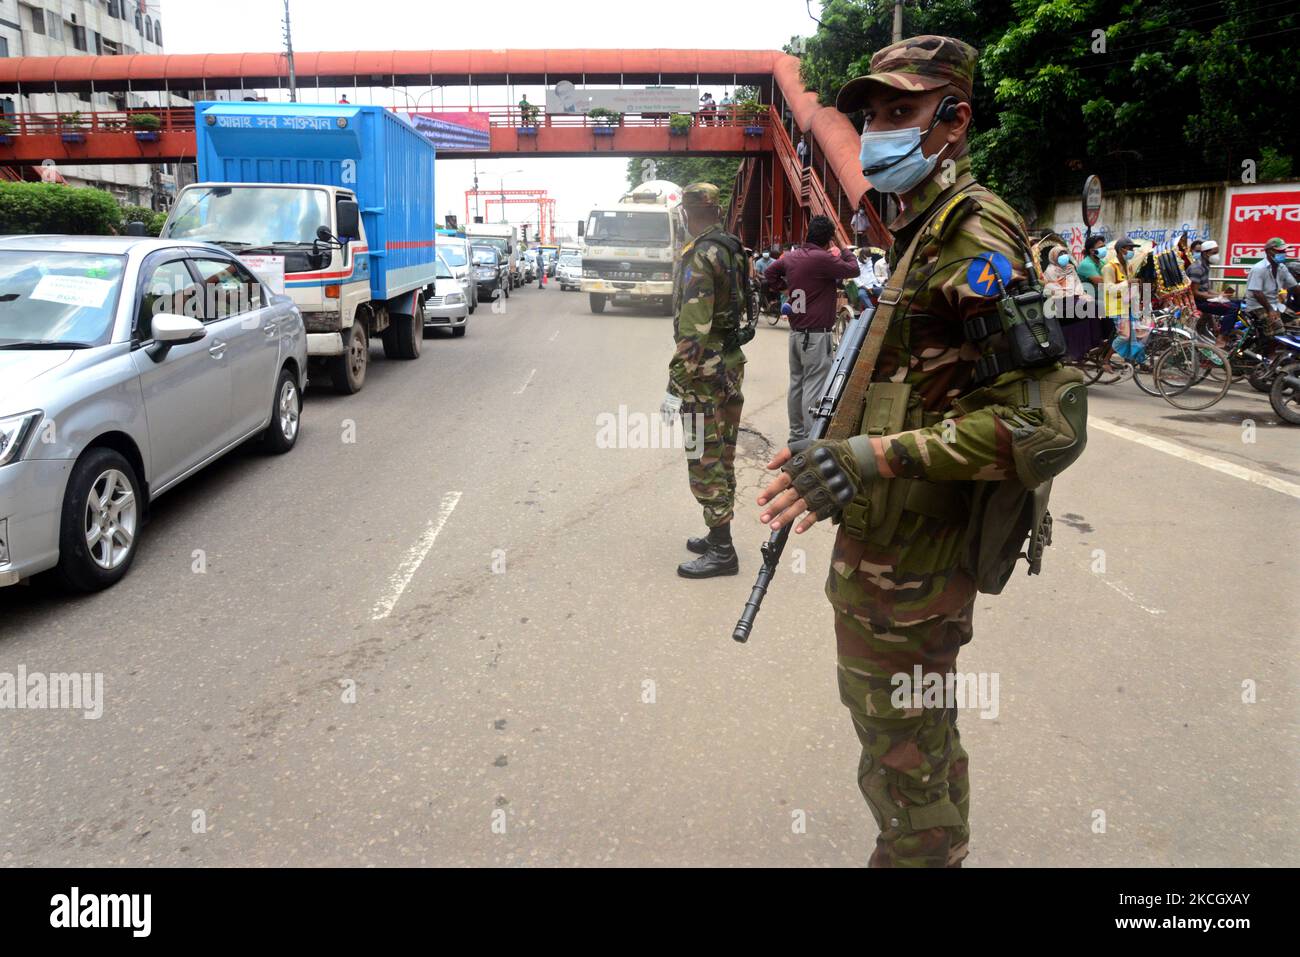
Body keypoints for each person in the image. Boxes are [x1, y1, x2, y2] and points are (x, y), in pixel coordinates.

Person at [756, 35, 1086, 868]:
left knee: (906, 744)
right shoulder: (923, 231)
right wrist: (836, 454)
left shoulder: (975, 238)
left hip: (920, 559)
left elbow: (1046, 424)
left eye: (900, 113)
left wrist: (870, 459)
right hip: (888, 550)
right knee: (901, 735)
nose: (874, 134)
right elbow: (915, 383)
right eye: (869, 116)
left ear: (955, 119)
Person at [662, 183, 747, 579]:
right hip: (729, 361)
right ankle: (717, 535)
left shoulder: (701, 254)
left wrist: (674, 383)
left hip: (703, 370)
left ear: (686, 212)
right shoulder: (732, 248)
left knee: (704, 454)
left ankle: (723, 551)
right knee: (724, 449)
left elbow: (694, 329)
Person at [762, 215, 861, 444]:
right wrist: (842, 246)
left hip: (796, 334)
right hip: (816, 335)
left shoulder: (791, 257)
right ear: (828, 239)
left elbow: (769, 275)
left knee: (796, 383)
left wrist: (786, 287)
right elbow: (854, 269)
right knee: (814, 386)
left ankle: (796, 436)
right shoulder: (822, 259)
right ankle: (809, 439)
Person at [1186, 239, 1238, 347]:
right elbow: (1194, 293)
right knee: (1232, 309)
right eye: (1214, 253)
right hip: (1198, 302)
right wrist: (1217, 296)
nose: (1216, 255)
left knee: (1237, 302)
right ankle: (1221, 338)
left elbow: (1206, 289)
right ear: (1205, 253)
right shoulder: (1197, 268)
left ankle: (1226, 332)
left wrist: (1220, 294)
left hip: (1203, 299)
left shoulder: (1205, 266)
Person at [1244, 237, 1296, 336]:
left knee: (1296, 323)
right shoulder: (1259, 268)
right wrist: (1270, 310)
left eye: (1284, 251)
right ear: (1268, 251)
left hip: (1276, 304)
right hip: (1258, 306)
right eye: (1279, 251)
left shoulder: (1282, 267)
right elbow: (1257, 292)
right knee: (1278, 331)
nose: (1283, 253)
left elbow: (1294, 286)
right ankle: (1269, 350)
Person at [1102, 236, 1138, 371]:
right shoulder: (1109, 267)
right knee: (1125, 335)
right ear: (1121, 250)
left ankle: (1130, 360)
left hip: (1127, 305)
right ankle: (1106, 360)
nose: (1132, 251)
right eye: (1130, 249)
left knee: (1136, 334)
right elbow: (1108, 289)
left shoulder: (1129, 266)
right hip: (1115, 307)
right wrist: (1126, 283)